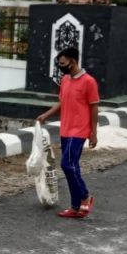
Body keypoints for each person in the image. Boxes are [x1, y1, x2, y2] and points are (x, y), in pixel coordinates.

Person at [35, 47, 99, 219]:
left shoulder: (89, 82)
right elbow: (62, 102)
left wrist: (93, 132)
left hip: (79, 131)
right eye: (59, 64)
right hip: (66, 129)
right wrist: (46, 115)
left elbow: (94, 108)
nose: (61, 66)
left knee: (66, 164)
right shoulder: (65, 80)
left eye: (63, 63)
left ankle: (85, 196)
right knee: (73, 167)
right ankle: (76, 206)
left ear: (73, 60)